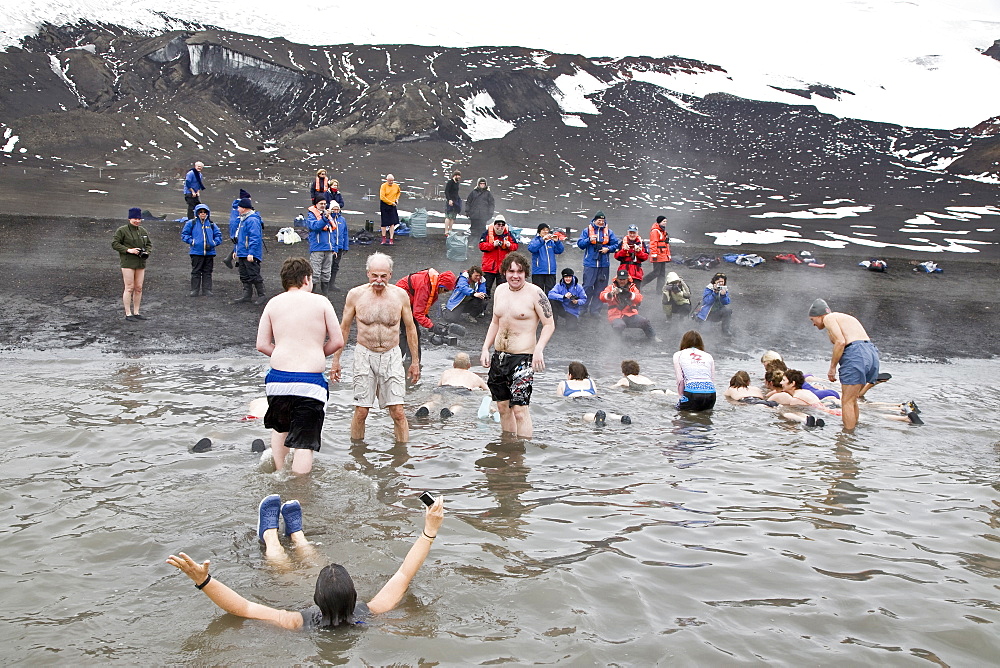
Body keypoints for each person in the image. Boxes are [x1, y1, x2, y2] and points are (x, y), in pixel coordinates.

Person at [166, 494, 444, 630]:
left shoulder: (301, 621)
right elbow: (404, 574)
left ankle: (270, 535)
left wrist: (202, 579)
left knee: (285, 569)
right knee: (297, 564)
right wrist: (430, 528)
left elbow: (243, 607)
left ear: (315, 599)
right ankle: (297, 535)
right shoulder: (371, 612)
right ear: (355, 596)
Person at [255, 257, 344, 474]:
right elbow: (338, 341)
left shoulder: (273, 303)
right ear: (306, 279)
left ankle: (279, 475)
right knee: (304, 442)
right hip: (309, 383)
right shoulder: (321, 302)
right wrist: (316, 353)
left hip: (278, 380)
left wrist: (283, 352)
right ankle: (299, 493)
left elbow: (262, 344)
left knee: (280, 429)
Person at [331, 252, 420, 443]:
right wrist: (336, 360)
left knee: (398, 412)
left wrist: (415, 362)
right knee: (362, 411)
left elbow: (411, 329)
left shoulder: (400, 295)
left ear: (390, 274)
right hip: (364, 354)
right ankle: (356, 452)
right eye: (375, 275)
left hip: (392, 354)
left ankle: (402, 457)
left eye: (383, 276)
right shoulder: (355, 295)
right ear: (368, 274)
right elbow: (344, 328)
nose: (379, 280)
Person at [480, 252, 555, 439]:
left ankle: (521, 457)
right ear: (504, 272)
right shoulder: (500, 290)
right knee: (502, 408)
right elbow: (495, 322)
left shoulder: (536, 293)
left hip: (523, 358)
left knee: (520, 410)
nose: (515, 275)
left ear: (525, 273)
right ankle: (507, 448)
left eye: (520, 272)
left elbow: (549, 324)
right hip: (499, 357)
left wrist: (539, 349)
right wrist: (485, 348)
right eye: (511, 271)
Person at [809, 298, 881, 431]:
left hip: (856, 354)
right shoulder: (842, 317)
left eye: (812, 320)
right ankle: (853, 434)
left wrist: (832, 368)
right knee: (852, 399)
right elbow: (841, 339)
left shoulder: (829, 318)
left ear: (819, 315)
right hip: (870, 352)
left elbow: (840, 342)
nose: (813, 324)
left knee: (846, 401)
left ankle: (846, 439)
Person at [396, 267, 458, 366]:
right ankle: (408, 362)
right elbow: (418, 313)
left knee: (411, 332)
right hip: (399, 302)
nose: (445, 293)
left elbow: (422, 309)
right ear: (441, 285)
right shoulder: (424, 286)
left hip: (408, 301)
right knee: (410, 332)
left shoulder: (432, 283)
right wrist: (432, 327)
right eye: (446, 290)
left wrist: (429, 322)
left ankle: (406, 360)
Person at [415, 352, 489, 418]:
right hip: (462, 390)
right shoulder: (474, 376)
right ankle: (451, 412)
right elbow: (487, 390)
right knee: (458, 404)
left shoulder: (446, 372)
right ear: (469, 365)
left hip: (444, 388)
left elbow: (438, 386)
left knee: (434, 401)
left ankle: (426, 407)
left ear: (453, 365)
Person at [112, 207, 153, 321]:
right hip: (128, 262)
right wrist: (128, 250)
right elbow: (115, 243)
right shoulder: (122, 230)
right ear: (129, 218)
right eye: (135, 218)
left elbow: (149, 244)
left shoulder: (143, 231)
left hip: (140, 262)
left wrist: (146, 252)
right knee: (129, 287)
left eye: (139, 219)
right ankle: (128, 313)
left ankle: (136, 312)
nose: (137, 221)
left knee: (138, 288)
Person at [576, 211, 619, 317]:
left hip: (604, 264)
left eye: (602, 221)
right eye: (599, 220)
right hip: (590, 264)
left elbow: (616, 244)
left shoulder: (609, 232)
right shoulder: (587, 231)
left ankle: (595, 310)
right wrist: (589, 240)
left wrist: (607, 249)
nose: (600, 222)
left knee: (601, 288)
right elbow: (580, 244)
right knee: (587, 286)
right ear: (594, 220)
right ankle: (582, 308)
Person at [600, 269, 657, 340]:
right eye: (620, 279)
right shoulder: (611, 288)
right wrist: (610, 294)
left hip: (630, 314)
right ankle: (616, 340)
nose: (622, 281)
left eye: (624, 279)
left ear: (627, 279)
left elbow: (639, 299)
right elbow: (602, 297)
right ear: (617, 279)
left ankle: (653, 337)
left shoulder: (632, 288)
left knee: (644, 322)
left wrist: (629, 294)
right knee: (619, 325)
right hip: (615, 315)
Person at [180, 203, 222, 297]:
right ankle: (195, 290)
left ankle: (207, 290)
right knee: (196, 271)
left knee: (207, 272)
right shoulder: (192, 223)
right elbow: (184, 235)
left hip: (209, 252)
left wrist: (214, 243)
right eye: (200, 212)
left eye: (204, 212)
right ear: (197, 213)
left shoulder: (211, 224)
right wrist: (193, 242)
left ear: (207, 213)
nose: (203, 214)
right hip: (196, 252)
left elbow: (218, 236)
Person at [232, 197, 266, 305]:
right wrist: (236, 250)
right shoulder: (244, 219)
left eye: (239, 207)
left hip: (249, 254)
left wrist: (251, 253)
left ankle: (262, 295)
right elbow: (239, 238)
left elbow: (254, 238)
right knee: (244, 274)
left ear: (244, 208)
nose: (237, 209)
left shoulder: (252, 220)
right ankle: (247, 295)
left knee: (254, 274)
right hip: (243, 253)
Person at [673, 330, 716, 412]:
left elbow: (680, 380)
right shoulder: (708, 356)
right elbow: (712, 379)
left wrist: (681, 397)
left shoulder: (678, 355)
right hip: (711, 394)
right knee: (705, 420)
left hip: (692, 393)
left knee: (682, 417)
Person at [305, 197, 339, 296]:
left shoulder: (328, 216)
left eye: (324, 203)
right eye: (321, 203)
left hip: (328, 249)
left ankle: (325, 295)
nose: (323, 205)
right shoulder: (312, 216)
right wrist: (324, 218)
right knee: (315, 273)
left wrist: (334, 248)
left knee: (326, 273)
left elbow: (333, 233)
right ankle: (313, 295)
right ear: (316, 204)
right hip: (317, 248)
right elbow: (315, 227)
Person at [479, 216, 518, 296]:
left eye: (502, 225)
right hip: (489, 268)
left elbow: (515, 246)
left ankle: (501, 307)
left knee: (502, 290)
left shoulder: (508, 234)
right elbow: (481, 246)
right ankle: (483, 307)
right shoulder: (486, 234)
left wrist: (509, 245)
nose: (500, 227)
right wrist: (493, 245)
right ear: (494, 224)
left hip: (503, 268)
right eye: (498, 225)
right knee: (485, 289)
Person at [527, 223, 564, 293]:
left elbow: (560, 250)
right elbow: (531, 248)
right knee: (538, 293)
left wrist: (557, 242)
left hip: (551, 272)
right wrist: (542, 240)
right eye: (543, 230)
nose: (546, 232)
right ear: (539, 231)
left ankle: (550, 304)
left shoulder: (551, 242)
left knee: (550, 293)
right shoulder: (536, 240)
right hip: (538, 272)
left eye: (547, 230)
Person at [693, 272, 733, 337]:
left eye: (722, 281)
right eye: (719, 281)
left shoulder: (724, 289)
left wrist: (723, 295)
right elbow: (707, 301)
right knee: (705, 332)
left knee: (727, 311)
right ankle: (697, 317)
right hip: (707, 313)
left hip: (717, 312)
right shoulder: (708, 288)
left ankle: (725, 330)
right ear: (715, 281)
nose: (721, 283)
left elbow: (726, 302)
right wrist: (715, 293)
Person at [614, 224, 649, 291]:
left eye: (634, 233)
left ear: (637, 233)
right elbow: (616, 256)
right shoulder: (622, 243)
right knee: (621, 292)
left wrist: (639, 252)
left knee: (636, 294)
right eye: (630, 233)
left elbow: (645, 257)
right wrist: (624, 250)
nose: (632, 235)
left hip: (636, 273)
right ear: (628, 232)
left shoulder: (641, 244)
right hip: (624, 272)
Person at [224, 189, 251, 269]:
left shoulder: (235, 207)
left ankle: (231, 259)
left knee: (239, 244)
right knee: (241, 244)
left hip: (235, 230)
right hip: (238, 229)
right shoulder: (241, 208)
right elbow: (237, 221)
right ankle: (235, 260)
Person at [647, 216, 672, 294]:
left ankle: (659, 290)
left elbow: (666, 244)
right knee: (656, 273)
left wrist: (668, 255)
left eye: (666, 221)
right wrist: (654, 254)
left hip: (662, 255)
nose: (665, 223)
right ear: (659, 222)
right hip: (658, 255)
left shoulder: (662, 231)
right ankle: (641, 284)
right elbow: (653, 243)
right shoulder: (655, 231)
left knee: (661, 274)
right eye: (664, 221)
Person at [379, 174, 401, 245]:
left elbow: (398, 192)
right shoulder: (383, 186)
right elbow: (382, 197)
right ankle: (384, 238)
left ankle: (391, 239)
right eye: (389, 181)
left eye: (392, 181)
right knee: (384, 223)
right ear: (386, 180)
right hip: (385, 205)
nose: (391, 182)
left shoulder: (396, 186)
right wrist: (390, 202)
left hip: (392, 205)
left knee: (392, 222)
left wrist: (396, 199)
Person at [443, 170, 462, 236]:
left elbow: (456, 193)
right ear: (455, 175)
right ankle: (446, 231)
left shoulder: (457, 183)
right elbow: (446, 192)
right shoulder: (450, 182)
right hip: (450, 201)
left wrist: (458, 201)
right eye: (458, 175)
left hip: (455, 202)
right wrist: (449, 200)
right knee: (448, 216)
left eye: (460, 176)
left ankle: (450, 230)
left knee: (453, 217)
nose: (459, 177)